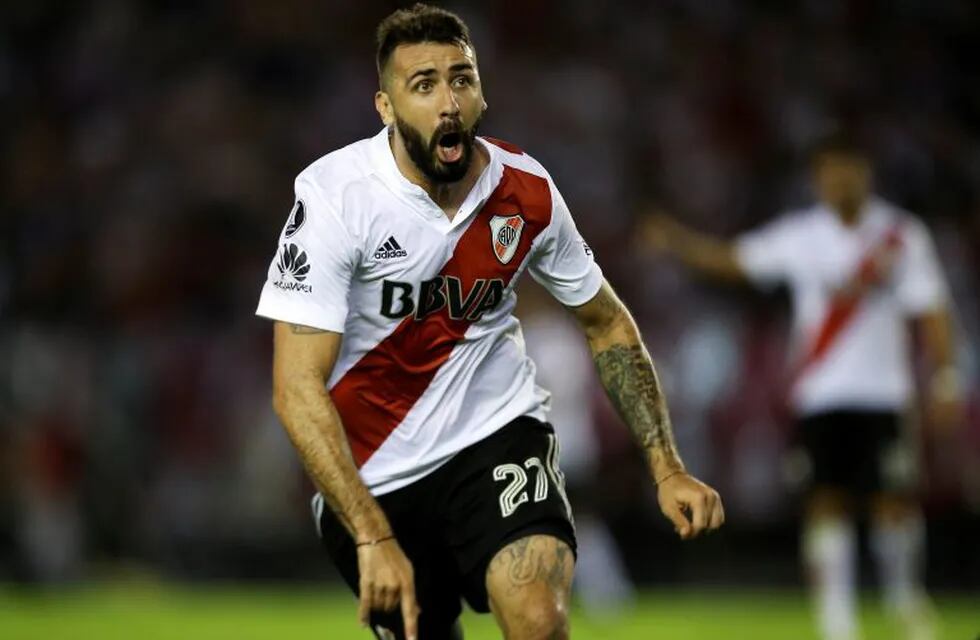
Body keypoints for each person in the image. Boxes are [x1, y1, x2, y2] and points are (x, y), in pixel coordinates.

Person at [255, 5, 724, 640]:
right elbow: (295, 388)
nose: (447, 101)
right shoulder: (336, 197)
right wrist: (370, 536)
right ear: (386, 108)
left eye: (461, 78)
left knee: (538, 620)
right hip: (375, 474)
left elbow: (606, 324)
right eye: (423, 85)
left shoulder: (526, 193)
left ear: (480, 91)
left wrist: (666, 466)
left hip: (495, 436)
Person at [643, 130, 961, 640]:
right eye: (830, 170)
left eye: (849, 167)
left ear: (866, 173)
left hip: (885, 392)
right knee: (825, 502)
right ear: (817, 178)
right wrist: (678, 241)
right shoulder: (802, 236)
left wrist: (946, 377)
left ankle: (907, 604)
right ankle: (837, 621)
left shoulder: (901, 236)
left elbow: (933, 309)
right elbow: (734, 261)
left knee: (893, 503)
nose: (840, 179)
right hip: (820, 394)